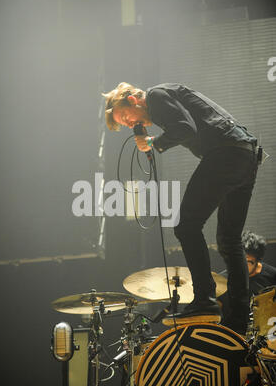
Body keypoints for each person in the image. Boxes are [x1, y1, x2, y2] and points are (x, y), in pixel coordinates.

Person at [103, 82, 260, 334]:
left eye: (125, 117)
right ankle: (238, 322)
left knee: (187, 226)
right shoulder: (162, 101)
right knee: (230, 241)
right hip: (245, 155)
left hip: (226, 154)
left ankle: (205, 300)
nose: (130, 124)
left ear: (132, 100)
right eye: (124, 124)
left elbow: (185, 129)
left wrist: (155, 143)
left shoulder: (155, 95)